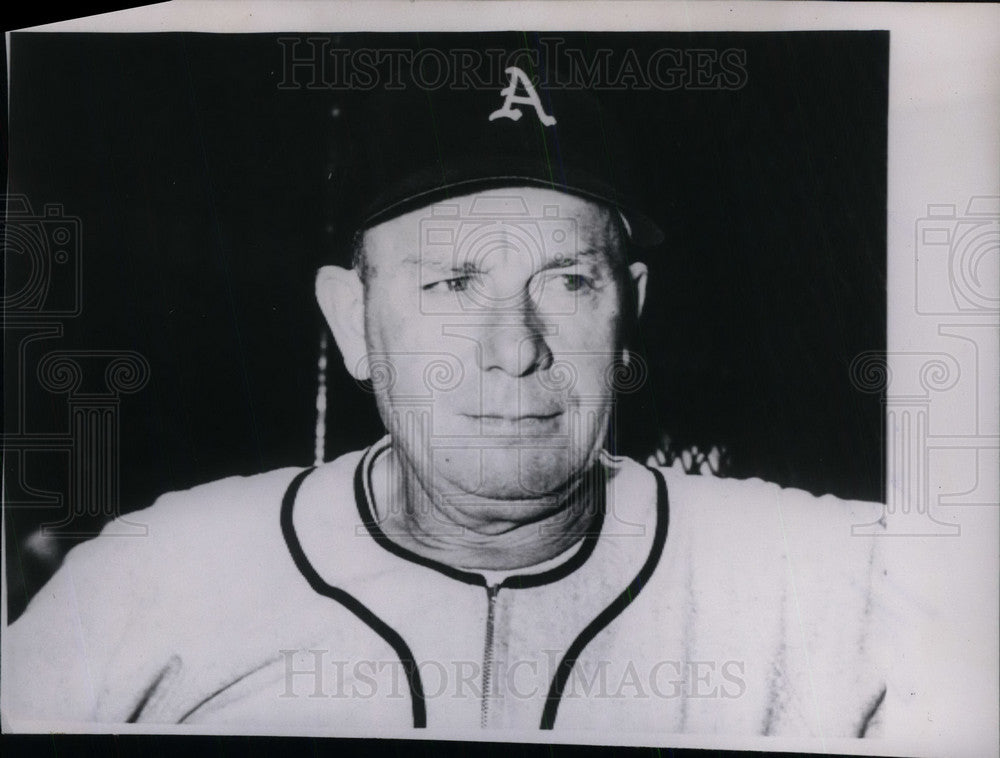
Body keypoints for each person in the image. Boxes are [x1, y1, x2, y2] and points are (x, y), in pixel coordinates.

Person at [3, 64, 916, 737]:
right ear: (353, 321)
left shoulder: (834, 583)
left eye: (568, 282)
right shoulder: (151, 584)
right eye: (451, 284)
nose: (515, 347)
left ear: (629, 309)